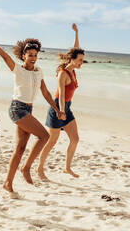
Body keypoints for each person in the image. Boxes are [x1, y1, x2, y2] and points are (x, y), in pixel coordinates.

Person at [0, 35, 65, 196]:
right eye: (30, 55)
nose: (33, 58)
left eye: (35, 55)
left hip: (28, 110)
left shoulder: (38, 71)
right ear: (23, 56)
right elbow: (4, 54)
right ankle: (26, 168)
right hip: (17, 109)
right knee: (44, 136)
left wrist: (57, 109)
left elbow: (45, 92)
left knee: (20, 148)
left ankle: (8, 182)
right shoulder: (18, 69)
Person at [36, 23, 85, 180]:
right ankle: (39, 169)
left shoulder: (72, 69)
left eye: (83, 60)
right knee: (51, 142)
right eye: (80, 60)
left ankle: (67, 168)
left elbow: (76, 48)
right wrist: (62, 111)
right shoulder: (63, 74)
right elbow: (62, 95)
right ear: (72, 59)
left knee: (75, 139)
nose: (81, 63)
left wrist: (76, 33)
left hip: (67, 108)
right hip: (57, 108)